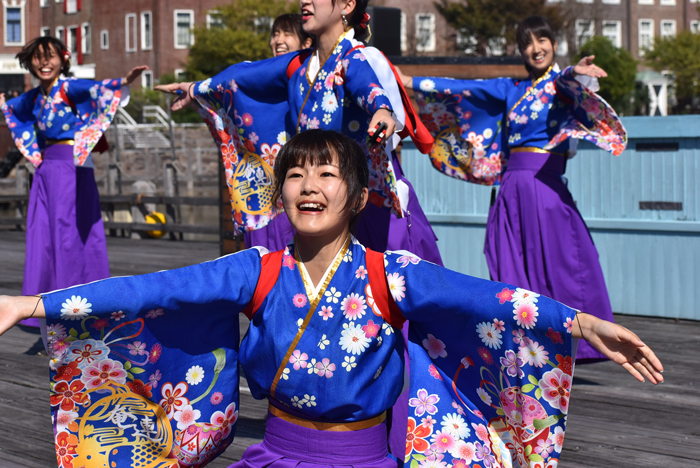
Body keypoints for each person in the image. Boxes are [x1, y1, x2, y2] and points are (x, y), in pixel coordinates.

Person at [0, 130, 662, 468]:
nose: (308, 185)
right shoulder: (256, 269)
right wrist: (31, 305)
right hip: (276, 454)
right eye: (295, 172)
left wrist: (577, 319)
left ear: (358, 195)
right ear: (281, 191)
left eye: (326, 173)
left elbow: (488, 300)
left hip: (366, 457)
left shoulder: (392, 273)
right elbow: (151, 290)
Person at [398, 16, 627, 362]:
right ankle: (527, 342)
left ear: (553, 44)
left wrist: (576, 72)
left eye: (542, 41)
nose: (535, 49)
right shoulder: (512, 89)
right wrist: (410, 81)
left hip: (543, 187)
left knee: (559, 259)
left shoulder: (560, 87)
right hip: (511, 187)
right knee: (509, 260)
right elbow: (465, 89)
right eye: (527, 43)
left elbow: (568, 81)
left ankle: (575, 338)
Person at [155, 0, 442, 267]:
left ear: (346, 4)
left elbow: (366, 86)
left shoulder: (354, 58)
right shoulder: (297, 64)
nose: (305, 0)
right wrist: (195, 89)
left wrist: (380, 109)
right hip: (316, 204)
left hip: (358, 205)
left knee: (375, 293)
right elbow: (241, 76)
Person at [0, 36, 147, 327]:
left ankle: (76, 306)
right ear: (29, 62)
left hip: (73, 166)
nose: (44, 62)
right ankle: (46, 305)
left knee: (70, 236)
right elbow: (13, 109)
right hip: (46, 170)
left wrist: (123, 81)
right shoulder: (33, 97)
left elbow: (99, 89)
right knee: (44, 236)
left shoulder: (70, 87)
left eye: (51, 56)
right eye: (38, 57)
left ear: (63, 59)